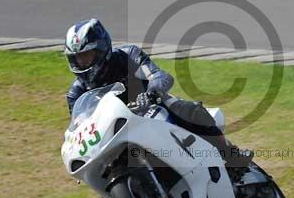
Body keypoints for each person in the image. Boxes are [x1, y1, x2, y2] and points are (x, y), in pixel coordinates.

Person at [64, 18, 253, 169]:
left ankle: (230, 154)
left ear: (101, 50)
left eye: (86, 56)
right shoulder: (76, 93)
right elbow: (82, 126)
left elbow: (159, 75)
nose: (82, 63)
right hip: (116, 132)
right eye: (77, 59)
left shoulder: (127, 55)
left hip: (152, 108)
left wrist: (153, 92)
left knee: (186, 109)